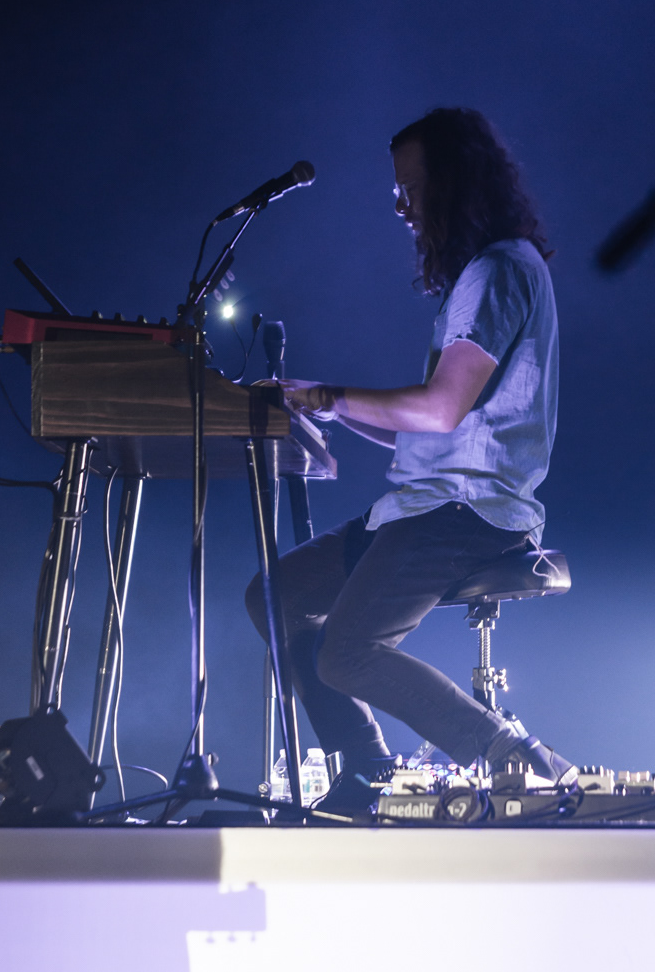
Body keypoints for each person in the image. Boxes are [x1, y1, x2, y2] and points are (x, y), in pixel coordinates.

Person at [246, 107, 576, 815]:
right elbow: (430, 430)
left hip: (470, 514)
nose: (402, 206)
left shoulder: (498, 271)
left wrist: (332, 395)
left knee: (346, 653)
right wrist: (328, 408)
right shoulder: (485, 274)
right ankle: (366, 765)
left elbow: (439, 408)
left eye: (413, 188)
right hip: (431, 505)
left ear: (457, 182)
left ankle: (521, 762)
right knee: (276, 597)